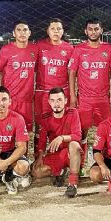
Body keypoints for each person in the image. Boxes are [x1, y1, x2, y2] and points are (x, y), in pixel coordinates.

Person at [68, 18, 111, 168]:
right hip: (85, 99)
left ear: (101, 30)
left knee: (108, 131)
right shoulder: (79, 49)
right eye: (90, 29)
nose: (93, 32)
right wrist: (73, 96)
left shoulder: (109, 49)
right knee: (81, 132)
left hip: (103, 99)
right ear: (85, 31)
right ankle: (80, 165)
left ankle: (108, 163)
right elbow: (72, 73)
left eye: (96, 29)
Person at [32, 87, 82, 198]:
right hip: (56, 154)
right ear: (49, 102)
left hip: (70, 154)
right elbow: (42, 140)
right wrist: (40, 156)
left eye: (59, 100)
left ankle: (73, 184)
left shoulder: (73, 113)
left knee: (75, 144)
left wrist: (62, 138)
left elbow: (78, 136)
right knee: (36, 172)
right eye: (53, 100)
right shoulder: (45, 118)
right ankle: (60, 172)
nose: (56, 104)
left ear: (65, 100)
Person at [34, 18, 74, 154]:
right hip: (43, 91)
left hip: (62, 92)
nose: (56, 31)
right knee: (40, 126)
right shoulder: (39, 46)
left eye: (59, 29)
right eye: (53, 28)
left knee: (60, 124)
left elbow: (71, 72)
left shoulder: (69, 48)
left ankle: (60, 157)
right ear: (48, 31)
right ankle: (37, 157)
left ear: (63, 31)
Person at [0, 20, 38, 133]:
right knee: (7, 131)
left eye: (25, 30)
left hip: (27, 100)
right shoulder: (6, 50)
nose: (22, 33)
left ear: (29, 33)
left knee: (25, 133)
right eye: (18, 30)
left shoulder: (35, 49)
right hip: (10, 99)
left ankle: (23, 151)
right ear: (14, 33)